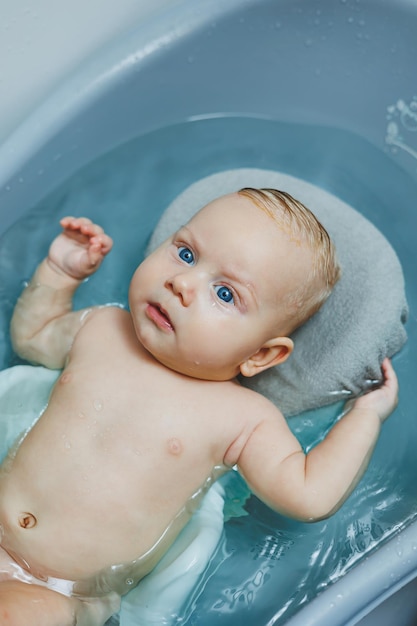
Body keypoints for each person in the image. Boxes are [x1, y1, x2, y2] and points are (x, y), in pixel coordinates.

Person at [0, 188, 398, 626]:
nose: (181, 283)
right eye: (186, 253)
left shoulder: (241, 418)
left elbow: (308, 494)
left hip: (56, 589)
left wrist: (364, 416)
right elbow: (34, 338)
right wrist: (60, 273)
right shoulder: (102, 328)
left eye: (225, 294)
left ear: (260, 356)